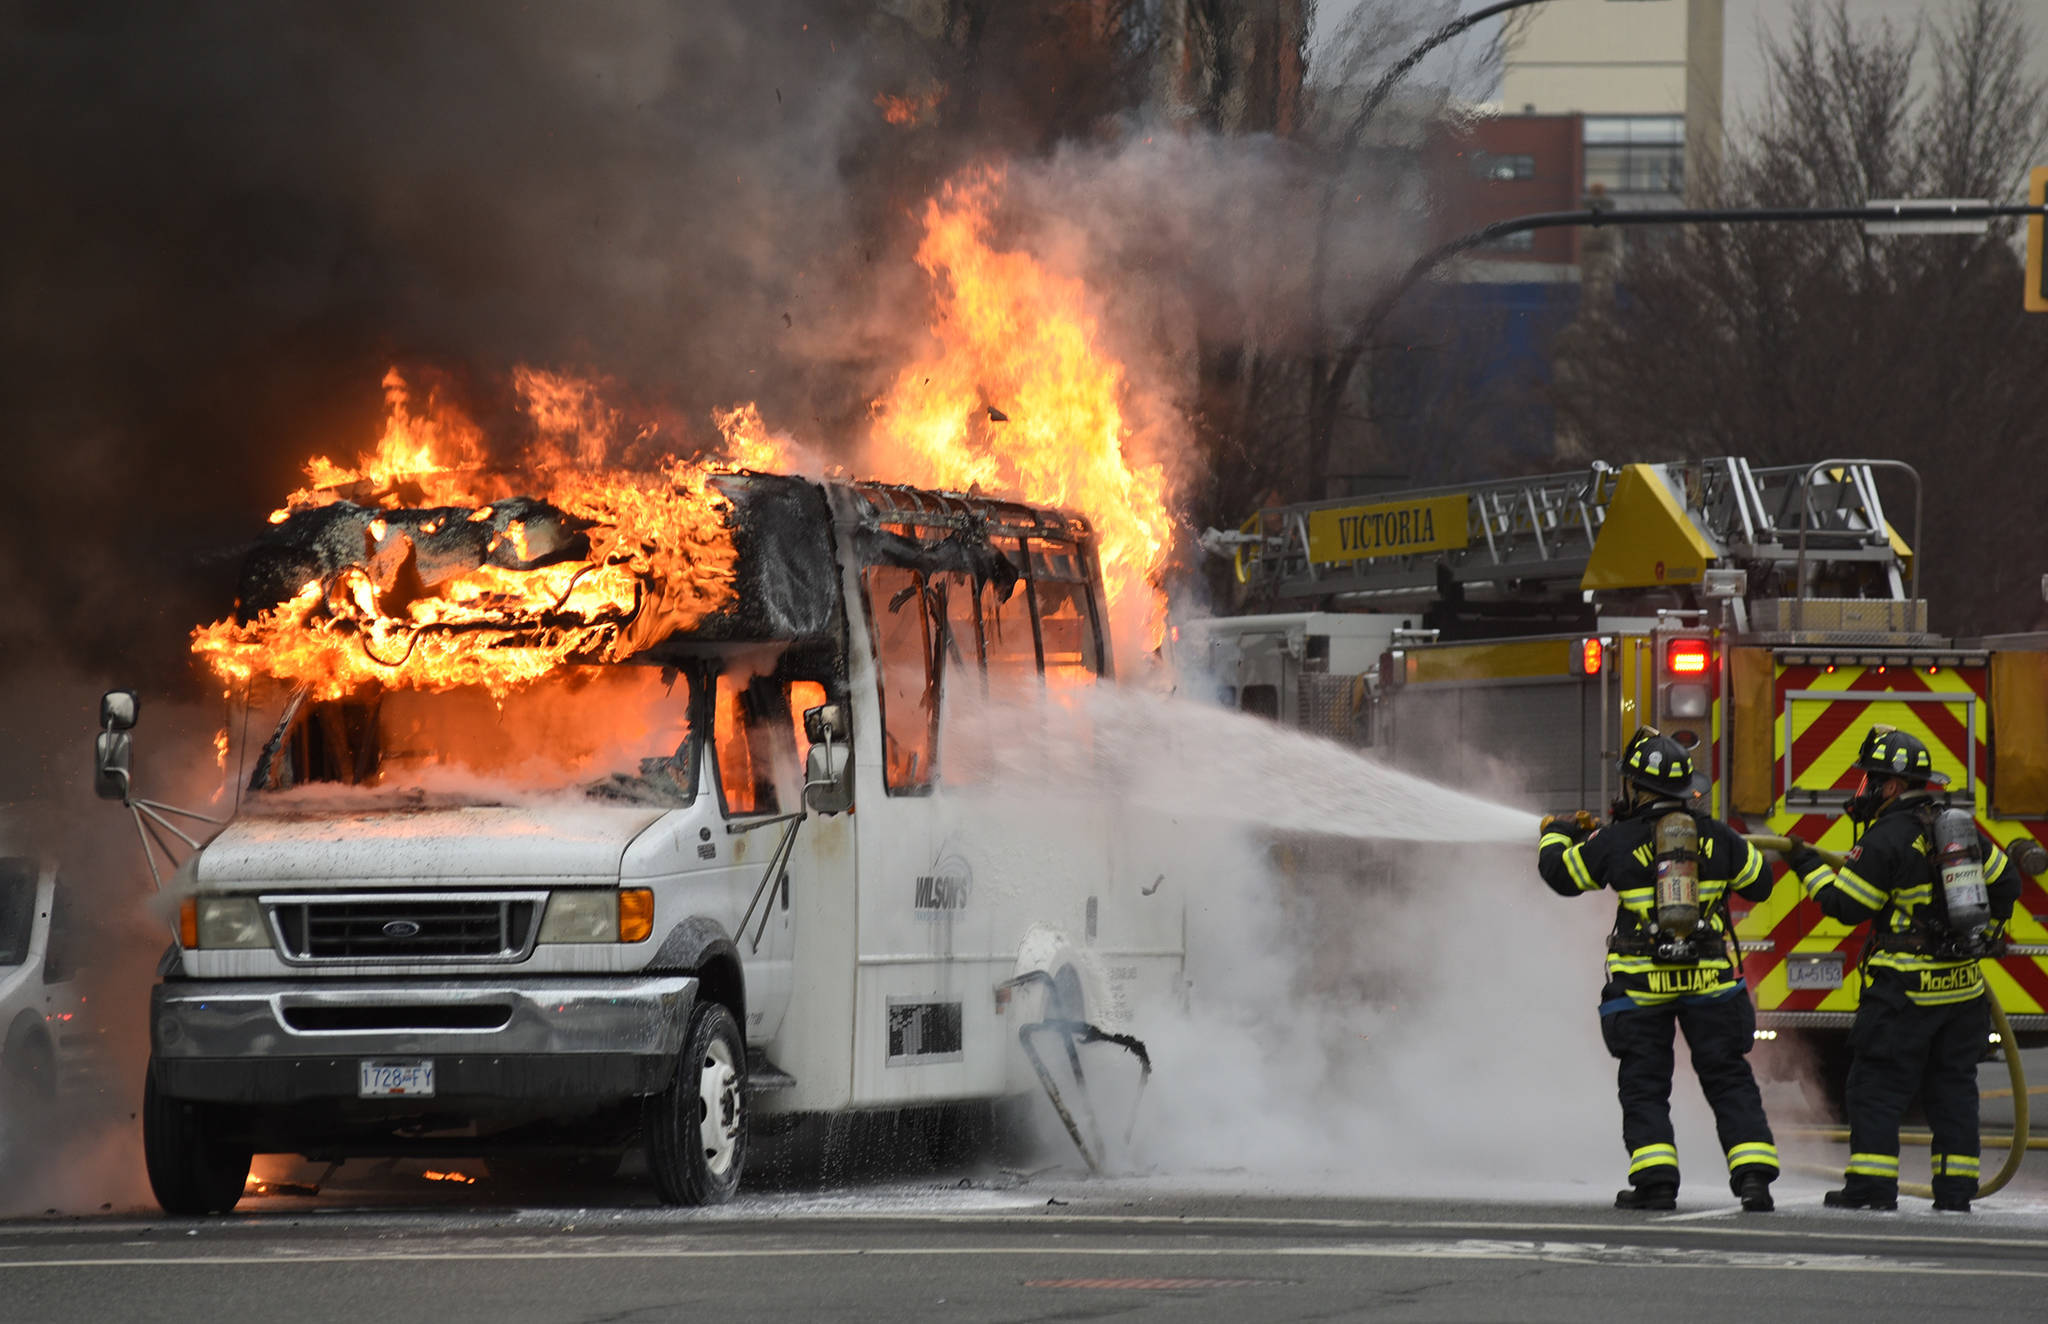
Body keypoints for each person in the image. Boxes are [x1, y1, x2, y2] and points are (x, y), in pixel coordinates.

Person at [1780, 725, 2020, 1213]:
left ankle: (1871, 1187)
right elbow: (2008, 884)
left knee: (1875, 1086)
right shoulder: (1958, 828)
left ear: (1891, 786)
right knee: (1952, 1086)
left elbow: (1845, 905)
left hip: (1904, 991)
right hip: (1961, 988)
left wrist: (1806, 865)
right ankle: (1956, 1190)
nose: (1861, 790)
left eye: (1869, 780)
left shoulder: (1885, 838)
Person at [1539, 728, 1779, 1212]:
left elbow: (1561, 876)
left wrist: (1554, 834)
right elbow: (1761, 884)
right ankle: (1754, 1180)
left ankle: (1656, 1184)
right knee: (1728, 1077)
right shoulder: (1717, 836)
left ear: (1635, 786)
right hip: (1710, 985)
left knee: (1645, 1085)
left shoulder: (1616, 840)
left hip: (1641, 988)